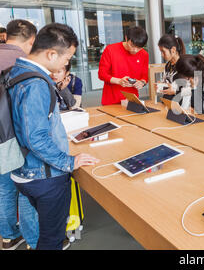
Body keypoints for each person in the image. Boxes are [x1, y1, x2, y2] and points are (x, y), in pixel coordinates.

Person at [8, 23, 99, 250]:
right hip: (44, 176)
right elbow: (35, 137)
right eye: (67, 57)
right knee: (51, 241)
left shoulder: (15, 72)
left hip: (22, 170)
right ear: (51, 53)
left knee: (45, 236)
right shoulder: (36, 83)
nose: (67, 63)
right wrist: (69, 161)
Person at [0, 19, 39, 251]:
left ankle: (8, 237)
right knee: (25, 188)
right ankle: (34, 241)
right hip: (15, 138)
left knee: (4, 188)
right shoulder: (22, 64)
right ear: (32, 40)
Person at [98, 26, 149, 106]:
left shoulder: (144, 55)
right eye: (132, 45)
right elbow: (102, 74)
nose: (135, 50)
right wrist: (119, 81)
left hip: (132, 100)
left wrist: (141, 82)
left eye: (139, 47)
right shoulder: (110, 50)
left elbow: (145, 76)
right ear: (126, 38)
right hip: (111, 100)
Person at [156, 34, 186, 100]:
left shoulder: (185, 64)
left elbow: (192, 90)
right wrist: (161, 85)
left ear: (173, 50)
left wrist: (175, 91)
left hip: (181, 104)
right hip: (168, 102)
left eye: (163, 51)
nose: (162, 55)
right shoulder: (168, 65)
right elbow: (167, 83)